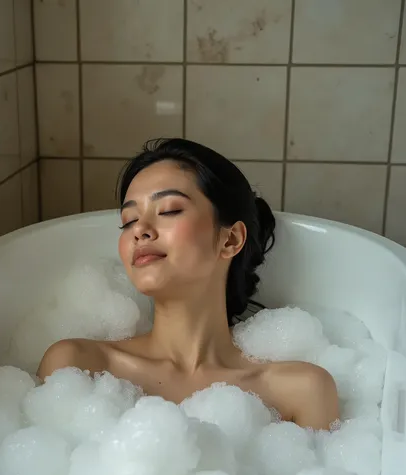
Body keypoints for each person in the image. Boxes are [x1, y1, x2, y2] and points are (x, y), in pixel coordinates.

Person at [38, 138, 339, 430]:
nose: (139, 230)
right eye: (128, 220)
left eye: (169, 210)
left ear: (230, 239)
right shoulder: (77, 368)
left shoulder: (301, 391)